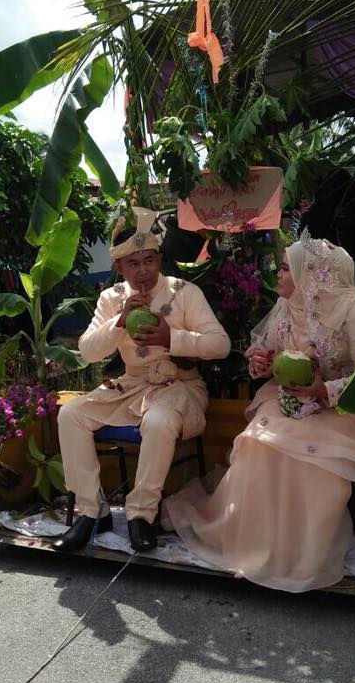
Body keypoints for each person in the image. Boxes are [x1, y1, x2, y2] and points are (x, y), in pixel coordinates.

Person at [162, 234, 355, 593]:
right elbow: (268, 353)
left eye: (286, 268)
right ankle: (254, 542)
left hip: (349, 406)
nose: (278, 274)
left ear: (312, 275)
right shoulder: (288, 305)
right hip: (293, 400)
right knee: (256, 442)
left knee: (309, 458)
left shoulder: (354, 308)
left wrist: (324, 390)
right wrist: (259, 362)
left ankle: (300, 555)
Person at [55, 206, 231, 553]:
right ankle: (92, 511)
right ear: (118, 268)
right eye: (133, 264)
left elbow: (221, 345)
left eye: (149, 261)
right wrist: (119, 320)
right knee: (70, 414)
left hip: (179, 387)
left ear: (159, 258)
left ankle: (141, 515)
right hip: (131, 387)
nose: (143, 271)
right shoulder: (111, 298)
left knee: (160, 421)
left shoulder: (184, 292)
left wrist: (171, 337)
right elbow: (88, 351)